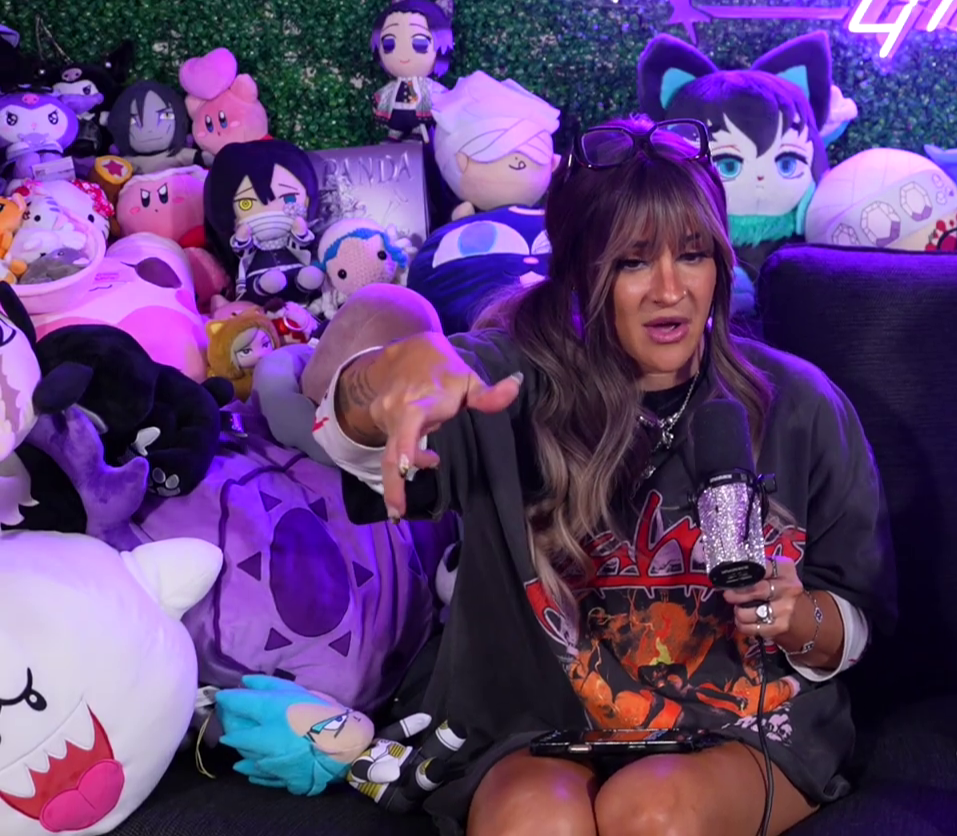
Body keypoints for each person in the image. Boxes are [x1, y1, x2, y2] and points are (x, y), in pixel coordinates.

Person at [313, 115, 896, 836]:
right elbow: (363, 436)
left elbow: (860, 622)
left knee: (650, 814)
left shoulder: (800, 404)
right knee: (536, 824)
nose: (669, 290)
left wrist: (797, 616)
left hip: (743, 728)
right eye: (631, 262)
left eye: (693, 255)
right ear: (581, 273)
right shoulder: (502, 382)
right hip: (538, 725)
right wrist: (377, 380)